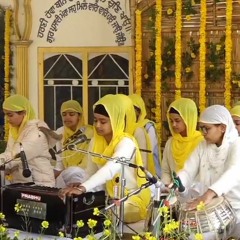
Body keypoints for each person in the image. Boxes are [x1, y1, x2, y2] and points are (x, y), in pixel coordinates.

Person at [60, 94, 151, 223]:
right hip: (108, 198)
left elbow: (110, 169)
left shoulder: (126, 142)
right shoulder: (96, 142)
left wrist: (82, 188)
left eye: (103, 122)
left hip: (132, 199)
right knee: (74, 207)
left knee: (113, 212)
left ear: (116, 120)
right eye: (95, 120)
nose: (97, 125)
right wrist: (80, 193)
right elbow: (90, 173)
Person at [177, 105, 240, 238]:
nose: (203, 132)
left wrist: (208, 195)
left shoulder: (237, 144)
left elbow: (234, 172)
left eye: (207, 128)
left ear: (222, 128)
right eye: (201, 128)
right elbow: (188, 170)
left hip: (235, 211)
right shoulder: (202, 146)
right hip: (208, 209)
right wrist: (178, 182)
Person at [1, 94, 56, 187]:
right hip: (20, 183)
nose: (7, 119)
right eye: (5, 115)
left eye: (10, 115)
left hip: (39, 184)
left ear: (24, 113)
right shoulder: (15, 130)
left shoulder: (36, 131)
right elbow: (8, 154)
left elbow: (17, 155)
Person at [161, 98, 203, 185]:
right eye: (171, 121)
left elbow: (203, 173)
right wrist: (167, 184)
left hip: (196, 193)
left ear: (188, 118)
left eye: (177, 120)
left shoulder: (201, 142)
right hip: (173, 192)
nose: (174, 125)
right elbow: (165, 170)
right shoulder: (170, 142)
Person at [54, 100, 93, 187]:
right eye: (64, 114)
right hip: (67, 174)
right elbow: (60, 163)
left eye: (71, 114)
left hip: (86, 175)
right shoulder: (60, 132)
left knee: (73, 171)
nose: (67, 117)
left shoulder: (90, 133)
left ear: (79, 116)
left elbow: (89, 163)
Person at [129, 93, 161, 178]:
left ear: (139, 111)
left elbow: (148, 151)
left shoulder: (148, 127)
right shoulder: (128, 127)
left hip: (150, 172)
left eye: (132, 109)